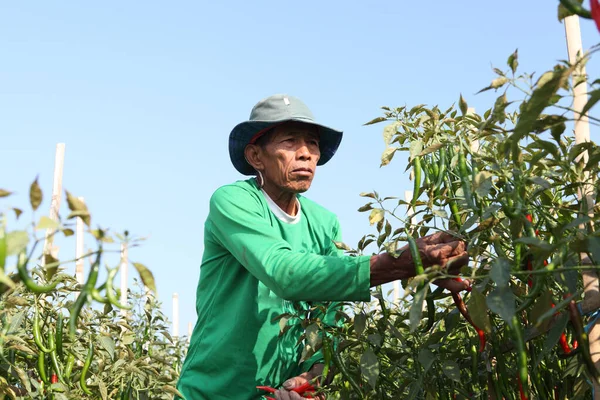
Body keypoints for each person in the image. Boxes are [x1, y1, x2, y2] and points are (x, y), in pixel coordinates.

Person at [175, 94, 469, 400]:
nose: (305, 154)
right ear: (256, 156)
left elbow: (328, 313)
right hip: (213, 391)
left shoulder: (323, 222)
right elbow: (283, 272)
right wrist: (399, 262)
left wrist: (313, 374)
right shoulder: (234, 201)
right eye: (290, 141)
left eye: (312, 144)